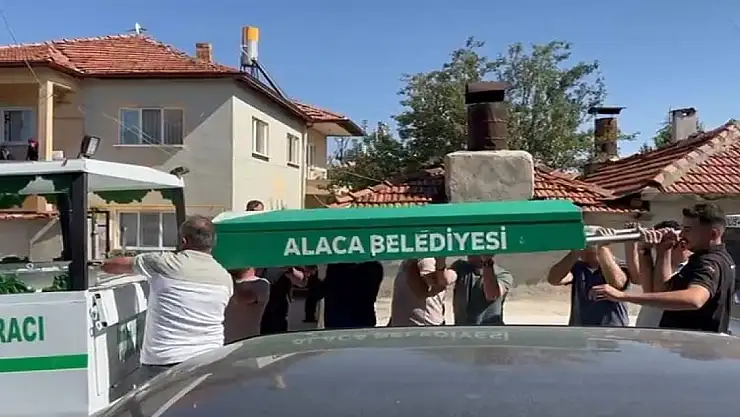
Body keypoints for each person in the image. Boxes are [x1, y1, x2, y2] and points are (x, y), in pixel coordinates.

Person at [102, 215, 232, 380]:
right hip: (210, 359)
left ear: (183, 241)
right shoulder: (225, 278)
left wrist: (100, 264)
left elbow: (112, 266)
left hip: (165, 362)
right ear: (213, 242)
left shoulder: (163, 263)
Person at [592, 203, 736, 333]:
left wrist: (622, 296)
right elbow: (661, 290)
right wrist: (660, 250)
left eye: (688, 230)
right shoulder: (701, 260)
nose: (682, 234)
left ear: (713, 234)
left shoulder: (710, 262)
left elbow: (694, 299)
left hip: (694, 349)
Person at [547, 227, 630, 327]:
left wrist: (603, 248)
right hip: (581, 330)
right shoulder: (578, 267)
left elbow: (617, 284)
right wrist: (575, 253)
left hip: (611, 330)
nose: (584, 251)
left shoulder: (618, 265)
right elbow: (554, 280)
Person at [626, 220, 691, 328]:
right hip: (646, 328)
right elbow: (638, 279)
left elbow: (662, 293)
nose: (657, 249)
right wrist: (635, 245)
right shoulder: (656, 265)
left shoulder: (692, 269)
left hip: (669, 331)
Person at [389, 258, 456, 326]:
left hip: (423, 324)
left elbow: (431, 288)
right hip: (406, 324)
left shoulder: (426, 260)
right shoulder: (410, 261)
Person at [451, 255, 514, 325]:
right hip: (463, 328)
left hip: (490, 328)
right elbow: (446, 280)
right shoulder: (461, 267)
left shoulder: (502, 275)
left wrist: (487, 262)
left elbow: (492, 295)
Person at [323, 262, 384, 328]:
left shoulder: (336, 268)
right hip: (364, 322)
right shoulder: (374, 268)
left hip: (336, 323)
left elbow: (323, 291)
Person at [223, 268, 270, 343]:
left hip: (246, 339)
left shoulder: (261, 283)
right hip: (225, 339)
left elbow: (240, 299)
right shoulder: (225, 283)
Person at [260, 266, 312, 334]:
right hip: (252, 308)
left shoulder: (286, 262)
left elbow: (302, 282)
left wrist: (289, 270)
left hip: (276, 308)